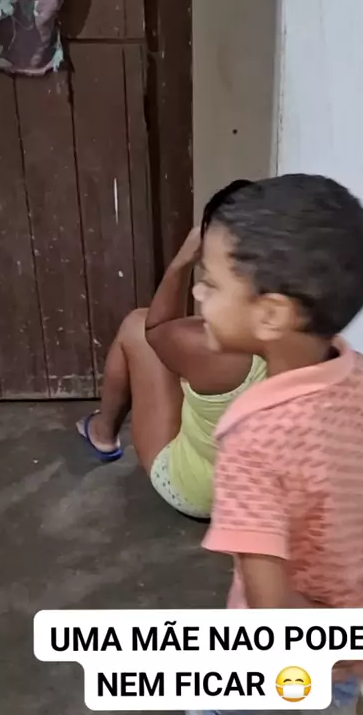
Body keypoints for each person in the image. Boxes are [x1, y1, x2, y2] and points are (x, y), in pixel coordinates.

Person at [185, 174, 363, 715]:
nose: (198, 294)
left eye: (211, 283)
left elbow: (269, 607)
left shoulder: (252, 435)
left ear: (272, 314)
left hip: (284, 642)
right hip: (357, 621)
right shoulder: (359, 375)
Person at [77, 181, 266, 520]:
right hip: (262, 498)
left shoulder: (215, 347)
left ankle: (103, 433)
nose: (201, 292)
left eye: (210, 280)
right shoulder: (309, 335)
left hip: (200, 493)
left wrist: (182, 262)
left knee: (136, 325)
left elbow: (156, 331)